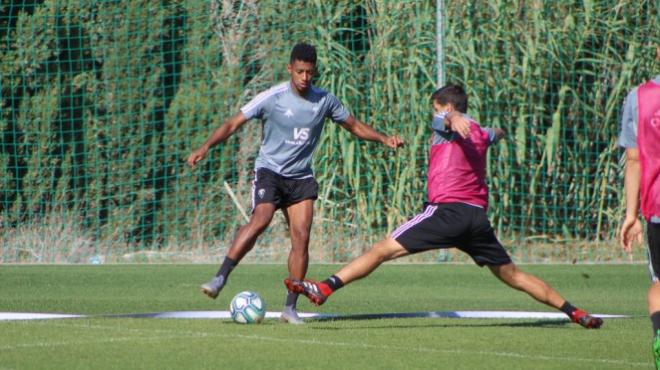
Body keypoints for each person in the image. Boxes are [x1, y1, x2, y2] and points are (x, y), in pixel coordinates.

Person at [286, 84, 603, 329]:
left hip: (446, 211)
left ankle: (325, 288)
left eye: (437, 109)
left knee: (382, 250)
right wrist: (491, 130)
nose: (434, 114)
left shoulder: (445, 122)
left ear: (447, 107)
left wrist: (452, 118)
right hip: (476, 219)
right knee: (515, 276)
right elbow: (495, 132)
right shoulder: (482, 132)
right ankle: (574, 312)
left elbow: (446, 118)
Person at [187, 42, 410, 324]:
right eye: (300, 71)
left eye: (310, 73)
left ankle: (290, 308)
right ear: (290, 68)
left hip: (301, 177)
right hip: (270, 171)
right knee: (261, 220)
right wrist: (205, 147)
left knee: (301, 236)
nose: (305, 78)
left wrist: (383, 139)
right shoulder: (272, 97)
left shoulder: (325, 100)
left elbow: (353, 125)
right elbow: (233, 124)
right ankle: (220, 278)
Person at [618, 46, 660, 368]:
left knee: (659, 285)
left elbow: (633, 160)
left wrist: (631, 215)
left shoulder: (638, 97)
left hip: (657, 207)